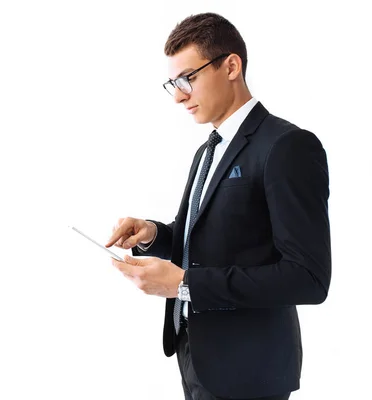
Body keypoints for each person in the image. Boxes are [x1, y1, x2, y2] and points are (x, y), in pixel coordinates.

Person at [105, 12, 331, 400]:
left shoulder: (287, 146)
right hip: (197, 356)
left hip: (250, 371)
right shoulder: (207, 150)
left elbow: (307, 277)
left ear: (231, 66)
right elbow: (204, 238)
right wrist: (154, 234)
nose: (178, 95)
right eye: (173, 83)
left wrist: (184, 285)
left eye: (188, 79)